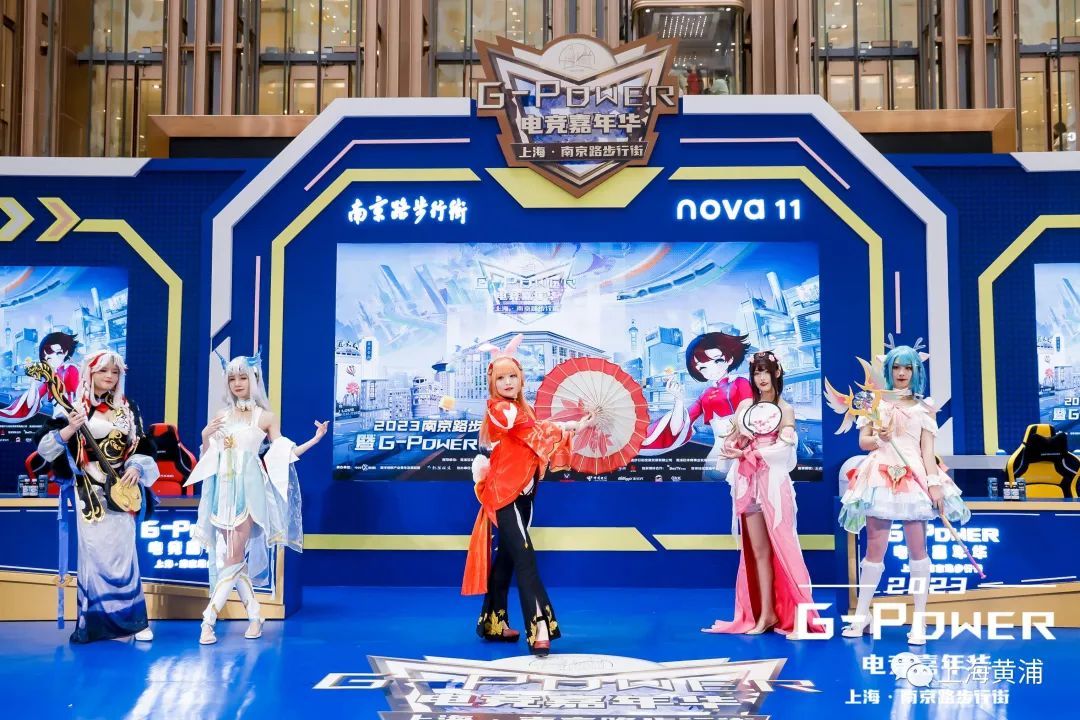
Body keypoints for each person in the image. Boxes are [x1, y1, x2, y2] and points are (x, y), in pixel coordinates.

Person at [462, 336, 592, 656]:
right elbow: (517, 425)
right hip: (503, 494)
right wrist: (567, 426)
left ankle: (493, 623)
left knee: (507, 558)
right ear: (492, 383)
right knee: (525, 558)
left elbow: (540, 430)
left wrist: (575, 425)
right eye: (500, 378)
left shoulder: (525, 409)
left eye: (512, 376)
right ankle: (539, 627)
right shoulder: (499, 409)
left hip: (526, 493)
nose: (507, 382)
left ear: (521, 379)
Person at [186, 353, 327, 645]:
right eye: (232, 378)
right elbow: (208, 458)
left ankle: (207, 620)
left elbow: (283, 453)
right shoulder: (221, 416)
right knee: (234, 560)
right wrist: (204, 437)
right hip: (221, 490)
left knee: (232, 556)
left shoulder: (265, 417)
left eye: (243, 377)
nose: (237, 383)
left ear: (255, 379)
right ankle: (255, 615)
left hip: (249, 488)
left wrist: (314, 440)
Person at [838, 345, 970, 644]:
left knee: (918, 550)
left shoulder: (925, 407)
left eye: (908, 367)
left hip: (914, 478)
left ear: (916, 371)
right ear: (888, 370)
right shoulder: (874, 402)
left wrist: (934, 483)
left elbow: (927, 451)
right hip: (880, 476)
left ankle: (919, 621)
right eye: (896, 367)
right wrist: (878, 437)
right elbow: (863, 442)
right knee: (874, 549)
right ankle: (861, 616)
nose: (901, 373)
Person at [36, 350, 158, 643]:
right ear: (89, 372)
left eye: (115, 372)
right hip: (88, 491)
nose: (110, 377)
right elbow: (45, 449)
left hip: (121, 489)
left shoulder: (128, 408)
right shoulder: (71, 406)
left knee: (124, 554)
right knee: (95, 555)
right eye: (103, 370)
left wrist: (136, 467)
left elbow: (141, 444)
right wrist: (70, 428)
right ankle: (96, 624)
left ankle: (133, 621)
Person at [703, 351, 823, 637]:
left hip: (773, 482)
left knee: (785, 546)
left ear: (776, 373)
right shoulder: (746, 406)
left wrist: (755, 453)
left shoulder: (785, 409)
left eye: (765, 371)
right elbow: (731, 440)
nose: (761, 378)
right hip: (747, 481)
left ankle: (799, 613)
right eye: (756, 372)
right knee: (756, 551)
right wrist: (733, 447)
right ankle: (765, 613)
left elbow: (785, 448)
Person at [639, 332, 752, 480]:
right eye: (702, 367)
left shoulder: (740, 383)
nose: (711, 369)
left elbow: (747, 414)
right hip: (715, 460)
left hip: (740, 457)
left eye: (717, 361)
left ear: (729, 359)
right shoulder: (705, 395)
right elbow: (676, 428)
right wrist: (678, 399)